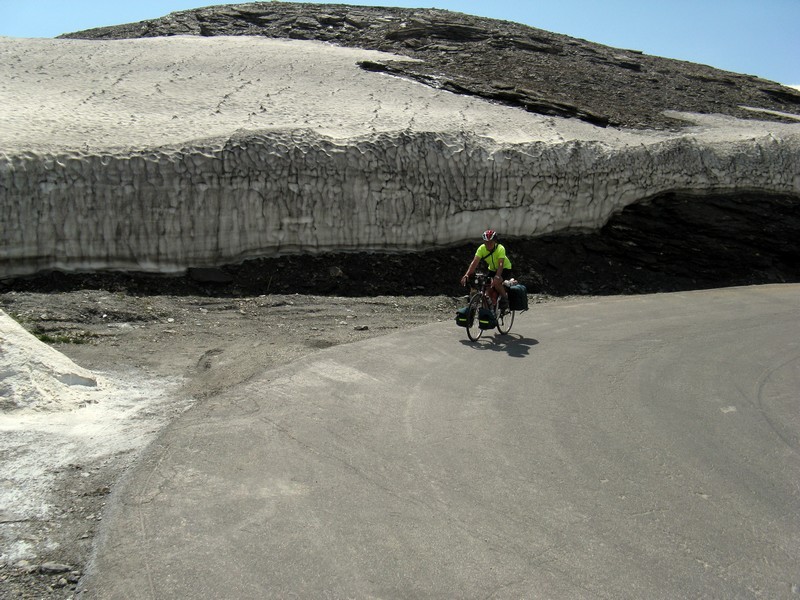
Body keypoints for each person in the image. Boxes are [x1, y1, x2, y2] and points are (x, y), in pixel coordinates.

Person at [460, 229, 513, 310]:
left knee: (497, 282)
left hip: (505, 268)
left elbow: (500, 264)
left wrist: (498, 276)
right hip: (492, 269)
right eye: (486, 242)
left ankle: (504, 299)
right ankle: (489, 308)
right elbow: (474, 263)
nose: (488, 244)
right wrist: (467, 274)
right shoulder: (481, 249)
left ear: (494, 241)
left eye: (490, 242)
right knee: (487, 287)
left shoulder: (500, 248)